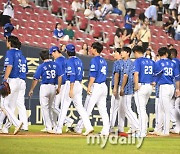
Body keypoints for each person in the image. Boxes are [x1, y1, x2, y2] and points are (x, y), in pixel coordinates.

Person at [55, 44, 93, 135]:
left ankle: (59, 128)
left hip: (71, 84)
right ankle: (88, 127)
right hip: (79, 84)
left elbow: (72, 75)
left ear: (67, 52)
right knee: (80, 108)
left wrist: (71, 89)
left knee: (64, 106)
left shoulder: (69, 61)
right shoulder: (79, 60)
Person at [75, 42, 110, 136]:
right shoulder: (104, 60)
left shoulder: (94, 60)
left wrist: (89, 86)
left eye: (91, 48)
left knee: (87, 108)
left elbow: (93, 75)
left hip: (97, 86)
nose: (90, 49)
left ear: (95, 49)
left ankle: (80, 128)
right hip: (103, 86)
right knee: (103, 109)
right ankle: (106, 130)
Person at [29, 50, 62, 133]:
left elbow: (36, 79)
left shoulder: (41, 66)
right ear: (49, 56)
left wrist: (32, 89)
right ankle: (54, 125)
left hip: (45, 87)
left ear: (41, 58)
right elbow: (60, 76)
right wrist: (59, 87)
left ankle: (49, 127)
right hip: (53, 87)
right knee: (51, 107)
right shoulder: (56, 64)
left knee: (45, 108)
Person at [0, 36, 24, 135]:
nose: (6, 43)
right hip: (19, 80)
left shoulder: (10, 52)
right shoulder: (20, 53)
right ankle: (5, 128)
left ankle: (17, 123)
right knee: (11, 106)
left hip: (12, 80)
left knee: (4, 104)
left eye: (7, 41)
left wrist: (5, 80)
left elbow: (9, 66)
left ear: (10, 43)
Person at [154, 47, 179, 136]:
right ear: (167, 54)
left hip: (164, 87)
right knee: (161, 109)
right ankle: (158, 129)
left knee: (165, 109)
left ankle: (166, 131)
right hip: (171, 87)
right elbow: (177, 77)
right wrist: (178, 89)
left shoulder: (159, 63)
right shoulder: (172, 63)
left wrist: (154, 81)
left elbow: (157, 74)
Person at [49, 46, 74, 132]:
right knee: (56, 106)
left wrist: (58, 86)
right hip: (65, 84)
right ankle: (56, 125)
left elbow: (58, 74)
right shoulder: (64, 59)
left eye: (52, 53)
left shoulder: (58, 61)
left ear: (56, 51)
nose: (52, 55)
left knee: (54, 106)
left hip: (61, 84)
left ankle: (68, 120)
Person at [132, 45, 154, 137]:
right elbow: (156, 73)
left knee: (141, 110)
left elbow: (136, 74)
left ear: (136, 52)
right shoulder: (150, 61)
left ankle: (142, 132)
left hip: (141, 86)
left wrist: (136, 86)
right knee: (143, 109)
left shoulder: (138, 61)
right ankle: (142, 130)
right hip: (149, 86)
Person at [119, 46, 139, 135]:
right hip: (128, 87)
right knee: (126, 108)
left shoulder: (128, 62)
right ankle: (134, 127)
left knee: (127, 109)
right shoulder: (128, 62)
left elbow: (125, 76)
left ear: (127, 53)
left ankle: (138, 127)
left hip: (127, 88)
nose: (121, 53)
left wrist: (122, 87)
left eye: (123, 51)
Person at [109, 48, 123, 133]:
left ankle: (110, 127)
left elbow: (116, 76)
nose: (114, 54)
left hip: (117, 88)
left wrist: (115, 88)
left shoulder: (117, 63)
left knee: (113, 109)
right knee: (122, 109)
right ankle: (121, 128)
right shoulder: (126, 62)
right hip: (123, 88)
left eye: (115, 52)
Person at [169, 48, 180, 134]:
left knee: (172, 106)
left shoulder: (172, 62)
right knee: (176, 105)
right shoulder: (178, 61)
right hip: (177, 86)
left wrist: (177, 88)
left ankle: (176, 125)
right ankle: (176, 125)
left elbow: (176, 76)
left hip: (174, 86)